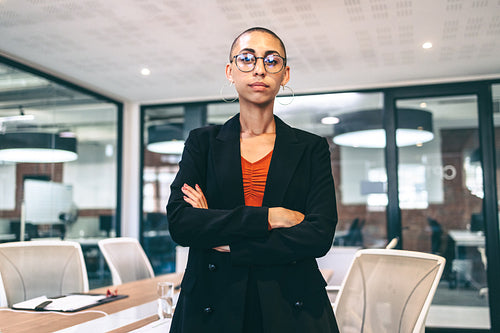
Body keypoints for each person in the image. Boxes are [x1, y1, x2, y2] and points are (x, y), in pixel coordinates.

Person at [167, 27, 339, 333]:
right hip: (211, 303)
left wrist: (226, 240)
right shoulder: (202, 142)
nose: (259, 68)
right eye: (247, 59)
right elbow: (182, 223)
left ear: (285, 75)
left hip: (292, 305)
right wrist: (271, 217)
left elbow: (319, 235)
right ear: (230, 71)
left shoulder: (312, 148)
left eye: (271, 61)